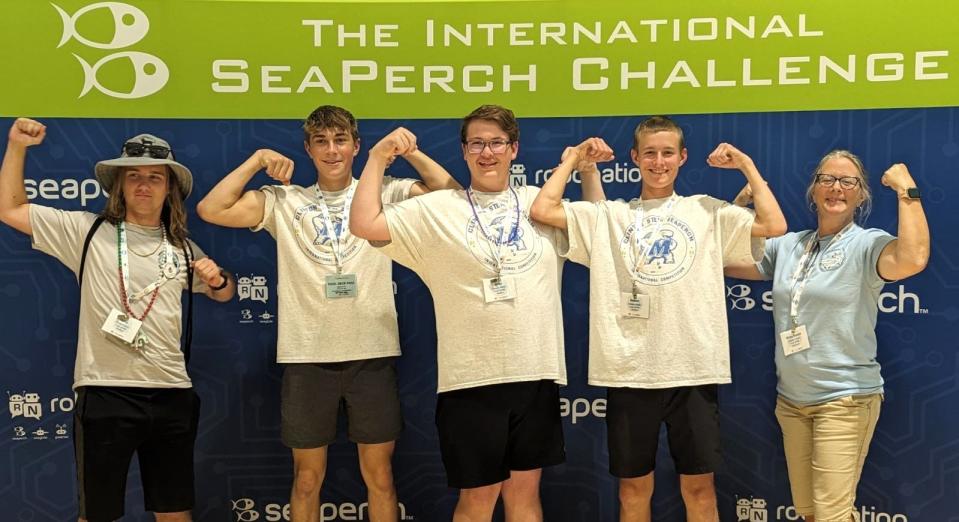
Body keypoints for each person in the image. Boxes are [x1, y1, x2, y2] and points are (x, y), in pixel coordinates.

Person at [195, 105, 460, 522]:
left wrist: (408, 152)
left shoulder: (384, 191)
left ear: (356, 146)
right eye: (321, 141)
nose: (331, 150)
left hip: (371, 353)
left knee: (381, 477)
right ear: (308, 149)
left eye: (340, 140)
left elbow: (453, 199)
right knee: (305, 480)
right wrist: (257, 160)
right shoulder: (285, 200)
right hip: (306, 357)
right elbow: (212, 210)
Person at [350, 104, 605, 521]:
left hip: (534, 372)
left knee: (524, 498)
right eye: (477, 144)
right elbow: (364, 224)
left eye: (497, 143)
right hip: (470, 379)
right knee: (477, 502)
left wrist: (589, 171)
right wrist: (378, 157)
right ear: (464, 151)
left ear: (514, 149)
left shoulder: (539, 203)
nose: (487, 153)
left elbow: (598, 231)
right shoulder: (437, 209)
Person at [529, 116, 787, 522]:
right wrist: (575, 160)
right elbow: (543, 209)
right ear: (634, 158)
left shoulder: (706, 210)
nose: (659, 161)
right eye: (649, 152)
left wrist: (747, 167)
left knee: (699, 489)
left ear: (682, 157)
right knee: (633, 490)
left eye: (668, 152)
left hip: (693, 369)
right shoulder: (611, 216)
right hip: (630, 372)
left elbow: (773, 225)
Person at [0, 118, 236, 522]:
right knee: (98, 514)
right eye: (134, 176)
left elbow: (225, 292)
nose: (144, 185)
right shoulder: (85, 231)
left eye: (155, 177)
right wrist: (17, 146)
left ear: (169, 188)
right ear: (120, 185)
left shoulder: (182, 247)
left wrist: (218, 279)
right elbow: (10, 208)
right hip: (104, 391)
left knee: (175, 514)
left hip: (171, 391)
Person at [726, 150, 929, 522]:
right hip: (792, 402)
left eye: (847, 181)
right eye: (827, 179)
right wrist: (741, 203)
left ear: (861, 195)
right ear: (814, 189)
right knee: (808, 513)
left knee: (832, 515)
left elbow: (913, 257)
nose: (836, 187)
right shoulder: (789, 246)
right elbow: (725, 256)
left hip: (845, 400)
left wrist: (907, 191)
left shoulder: (868, 245)